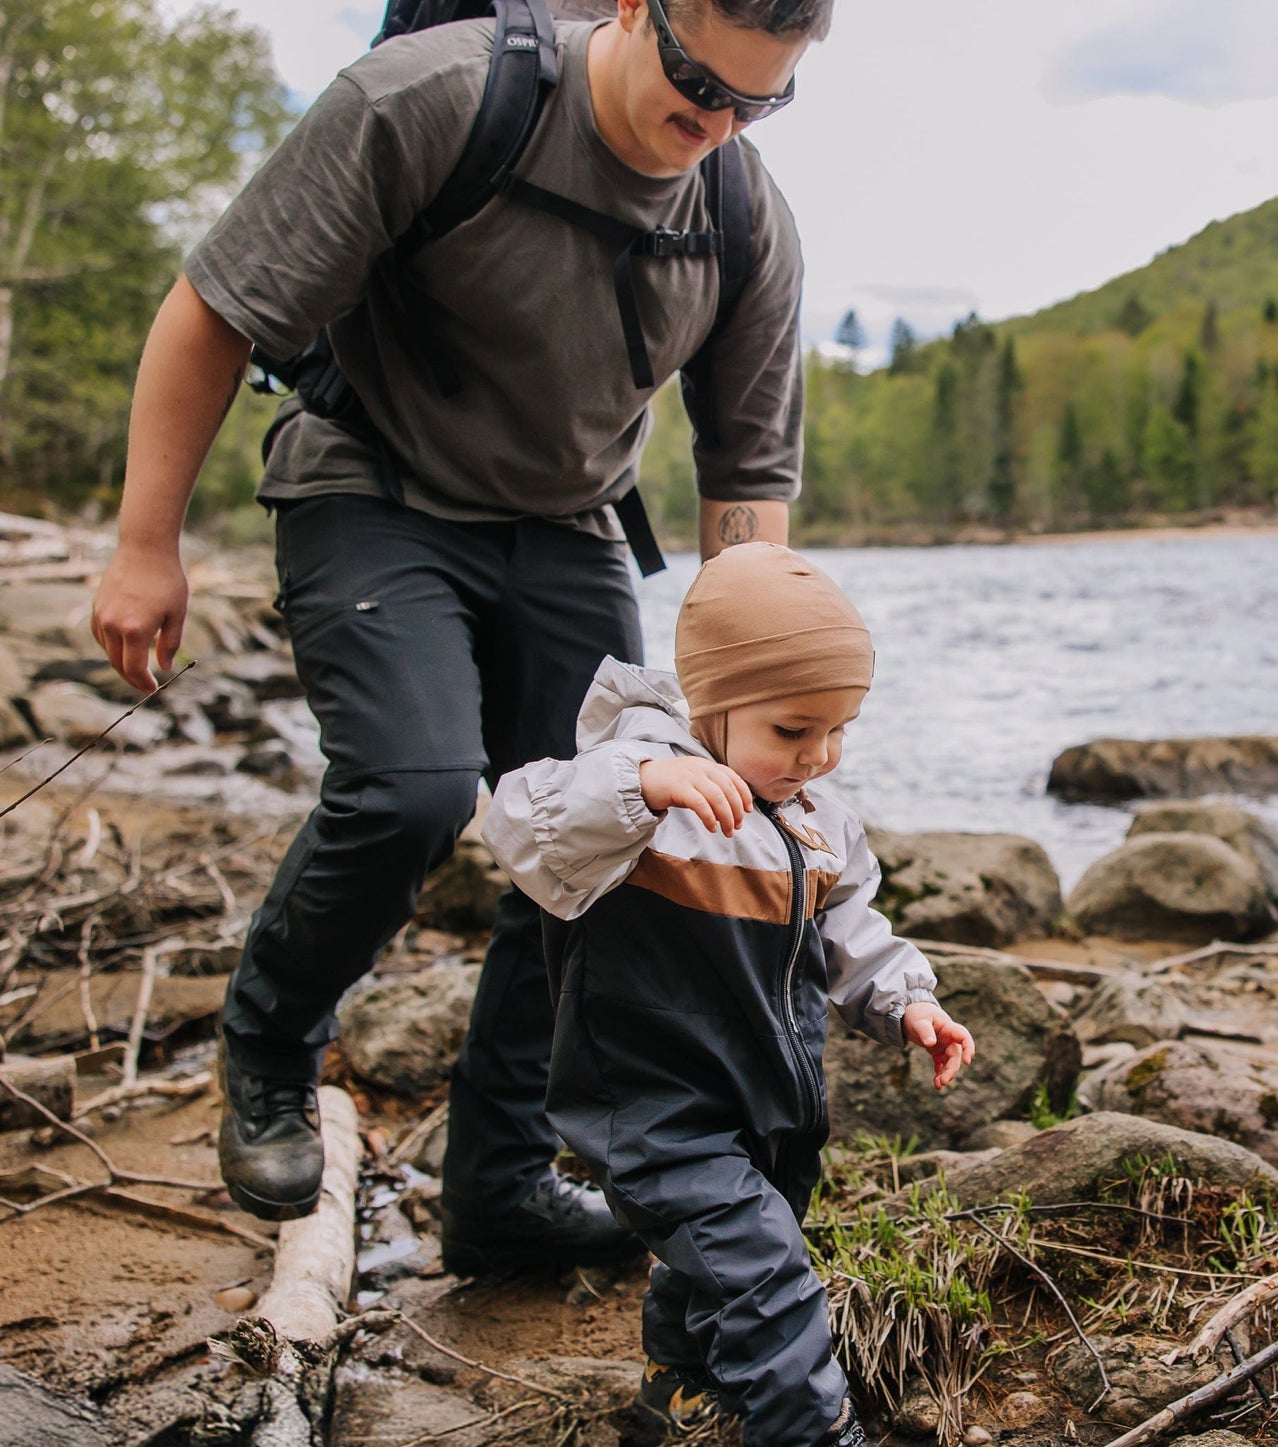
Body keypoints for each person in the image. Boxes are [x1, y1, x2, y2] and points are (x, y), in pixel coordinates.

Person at [88, 0, 828, 1271]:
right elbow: (214, 309)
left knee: (610, 831)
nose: (709, 125)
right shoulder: (428, 99)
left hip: (569, 522)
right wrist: (144, 545)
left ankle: (496, 1189)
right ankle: (269, 1043)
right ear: (633, 11)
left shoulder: (742, 217)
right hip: (373, 483)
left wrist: (743, 694)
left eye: (754, 104)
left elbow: (746, 482)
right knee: (414, 788)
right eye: (695, 82)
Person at [481, 542, 977, 1447]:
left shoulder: (816, 822)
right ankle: (811, 1430)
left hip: (769, 1107)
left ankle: (676, 1392)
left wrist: (907, 997)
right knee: (767, 1275)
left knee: (713, 1262)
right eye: (792, 731)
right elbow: (516, 816)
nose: (818, 756)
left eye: (838, 729)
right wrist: (641, 782)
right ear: (708, 701)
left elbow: (849, 927)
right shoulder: (636, 799)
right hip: (654, 1109)